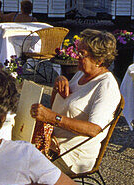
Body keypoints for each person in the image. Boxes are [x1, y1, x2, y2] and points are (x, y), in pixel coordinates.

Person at [29, 30, 122, 174]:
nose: (77, 56)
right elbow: (58, 106)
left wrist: (52, 118)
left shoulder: (106, 86)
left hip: (71, 156)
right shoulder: (81, 73)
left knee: (18, 165)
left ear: (99, 60)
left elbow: (94, 129)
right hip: (52, 142)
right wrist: (58, 83)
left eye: (82, 54)